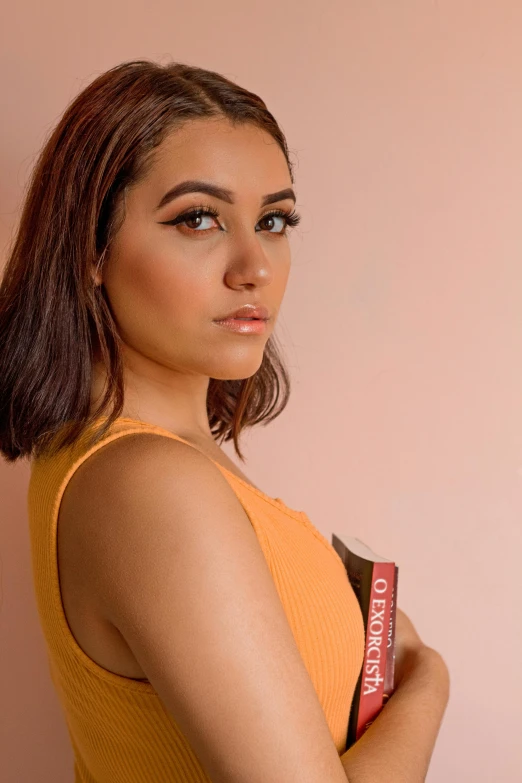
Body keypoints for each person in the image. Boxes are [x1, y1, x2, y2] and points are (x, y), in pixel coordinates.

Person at [0, 60, 449, 783]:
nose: (255, 266)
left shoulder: (140, 460)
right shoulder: (148, 483)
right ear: (91, 247)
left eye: (274, 220)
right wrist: (428, 681)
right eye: (198, 218)